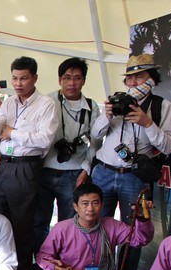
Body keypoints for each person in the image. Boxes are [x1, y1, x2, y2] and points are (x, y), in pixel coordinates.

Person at [91, 54, 171, 270]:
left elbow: (169, 146)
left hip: (135, 178)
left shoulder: (162, 107)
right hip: (104, 173)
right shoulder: (116, 102)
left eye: (140, 76)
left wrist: (146, 122)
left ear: (152, 78)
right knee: (96, 226)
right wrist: (107, 115)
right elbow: (95, 135)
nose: (134, 82)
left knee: (134, 234)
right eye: (130, 78)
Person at [0, 56, 59, 270]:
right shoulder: (7, 102)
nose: (18, 83)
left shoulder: (46, 104)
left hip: (27, 167)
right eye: (15, 78)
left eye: (24, 78)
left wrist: (13, 133)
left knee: (22, 224)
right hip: (4, 165)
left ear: (34, 78)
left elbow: (45, 139)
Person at [28, 182, 153, 270]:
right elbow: (43, 256)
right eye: (85, 203)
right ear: (75, 206)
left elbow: (140, 239)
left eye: (95, 203)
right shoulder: (62, 228)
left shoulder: (111, 225)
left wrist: (141, 218)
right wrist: (54, 268)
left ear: (102, 205)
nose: (90, 209)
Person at [34, 58, 101, 254]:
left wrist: (85, 170)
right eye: (67, 78)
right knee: (39, 222)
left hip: (74, 174)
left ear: (84, 81)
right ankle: (41, 263)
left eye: (77, 78)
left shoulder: (91, 107)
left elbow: (96, 142)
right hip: (44, 171)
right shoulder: (47, 101)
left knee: (69, 224)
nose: (72, 83)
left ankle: (65, 263)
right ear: (59, 80)